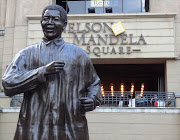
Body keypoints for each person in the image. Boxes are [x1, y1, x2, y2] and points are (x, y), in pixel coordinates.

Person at [2, 5, 101, 140]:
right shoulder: (27, 54)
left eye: (55, 19)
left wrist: (92, 99)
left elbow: (94, 84)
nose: (49, 23)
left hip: (70, 128)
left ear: (64, 25)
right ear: (41, 23)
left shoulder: (78, 55)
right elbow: (8, 84)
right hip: (34, 127)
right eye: (46, 19)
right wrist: (41, 72)